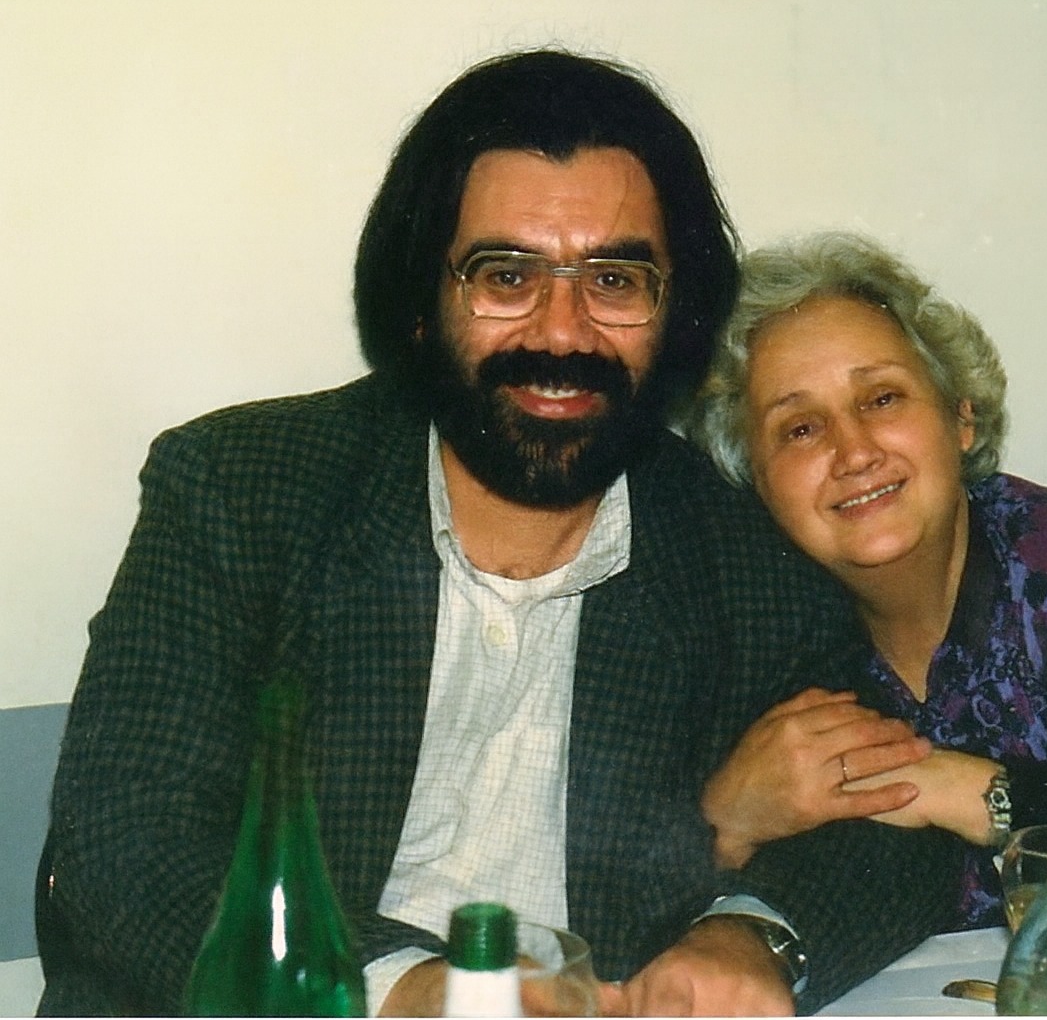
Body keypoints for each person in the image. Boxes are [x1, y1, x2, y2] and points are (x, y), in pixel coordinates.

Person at [36, 54, 963, 1017]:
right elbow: (126, 844)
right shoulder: (245, 493)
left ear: (673, 315)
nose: (562, 334)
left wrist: (753, 937)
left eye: (614, 279)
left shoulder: (738, 554)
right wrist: (406, 990)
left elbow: (889, 831)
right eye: (507, 276)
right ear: (421, 303)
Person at [687, 232, 1047, 930]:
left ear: (960, 418)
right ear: (754, 479)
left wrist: (967, 790)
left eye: (881, 399)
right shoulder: (753, 621)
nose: (854, 452)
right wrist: (724, 826)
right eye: (800, 429)